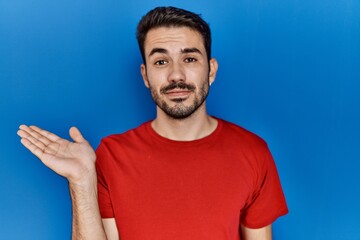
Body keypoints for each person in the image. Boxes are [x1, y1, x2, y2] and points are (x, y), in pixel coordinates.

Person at [17, 6, 288, 240]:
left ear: (212, 70)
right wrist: (81, 181)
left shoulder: (252, 151)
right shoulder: (112, 155)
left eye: (190, 58)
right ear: (146, 76)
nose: (176, 74)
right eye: (161, 61)